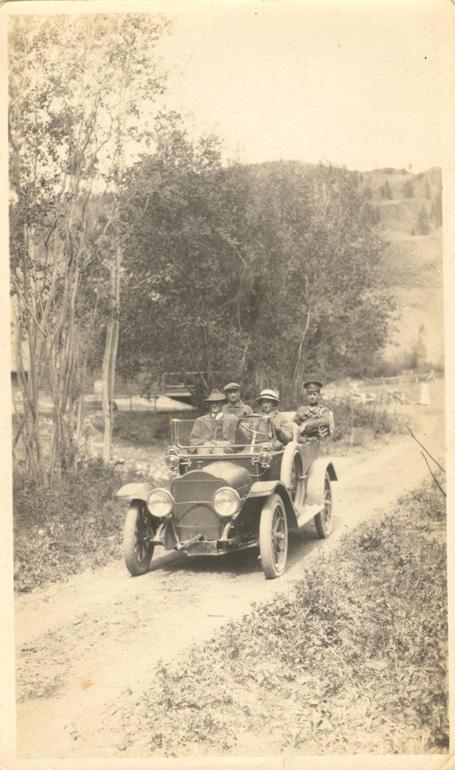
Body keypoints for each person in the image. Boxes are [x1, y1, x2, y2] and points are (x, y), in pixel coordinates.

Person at [189, 389, 234, 454]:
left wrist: (222, 443)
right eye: (211, 403)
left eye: (217, 402)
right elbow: (193, 440)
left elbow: (235, 441)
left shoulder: (231, 420)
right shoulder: (200, 420)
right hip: (204, 450)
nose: (214, 405)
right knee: (204, 451)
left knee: (218, 451)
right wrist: (205, 443)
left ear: (223, 403)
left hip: (224, 451)